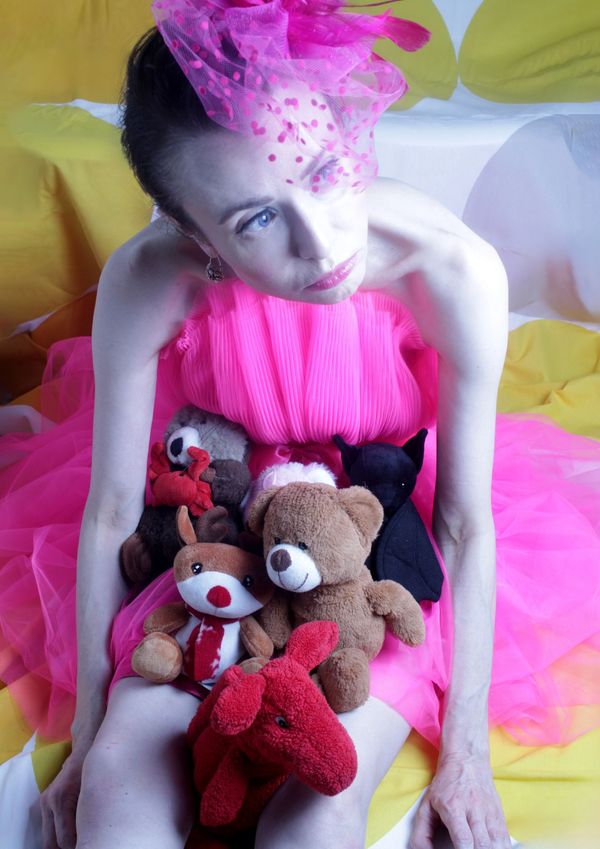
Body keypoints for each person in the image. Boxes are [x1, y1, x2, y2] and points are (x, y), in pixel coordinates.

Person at [1, 2, 599, 849]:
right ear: (194, 234)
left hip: (374, 537)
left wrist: (466, 753)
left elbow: (465, 524)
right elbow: (108, 515)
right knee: (118, 793)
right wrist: (93, 736)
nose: (321, 244)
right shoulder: (152, 277)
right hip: (227, 514)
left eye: (322, 168)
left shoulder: (452, 268)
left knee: (320, 813)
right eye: (256, 218)